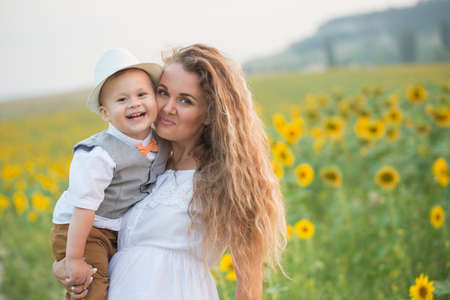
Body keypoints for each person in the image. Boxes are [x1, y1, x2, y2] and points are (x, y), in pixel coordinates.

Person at [54, 44, 286, 299]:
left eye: (185, 100)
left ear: (210, 113)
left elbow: (250, 287)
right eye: (163, 93)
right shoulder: (142, 164)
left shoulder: (227, 177)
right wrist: (65, 264)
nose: (167, 108)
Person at [50, 48, 170, 300]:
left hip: (115, 227)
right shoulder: (97, 155)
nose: (134, 103)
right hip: (83, 228)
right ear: (104, 113)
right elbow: (83, 208)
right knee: (91, 284)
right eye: (122, 99)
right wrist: (73, 259)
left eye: (141, 94)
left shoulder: (163, 139)